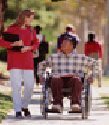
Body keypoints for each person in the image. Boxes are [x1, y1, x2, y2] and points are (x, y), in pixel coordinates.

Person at [39, 34, 97, 112]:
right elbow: (41, 65)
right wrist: (41, 76)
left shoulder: (80, 58)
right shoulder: (54, 57)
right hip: (58, 81)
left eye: (65, 43)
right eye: (62, 43)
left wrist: (92, 76)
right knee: (55, 79)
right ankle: (57, 104)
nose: (62, 45)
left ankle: (75, 104)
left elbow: (95, 64)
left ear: (72, 46)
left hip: (73, 81)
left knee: (76, 79)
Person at [0, 9, 39, 118]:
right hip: (15, 60)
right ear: (24, 17)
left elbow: (36, 42)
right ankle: (17, 110)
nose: (31, 20)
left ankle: (24, 106)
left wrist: (29, 47)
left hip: (27, 60)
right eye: (30, 18)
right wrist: (13, 44)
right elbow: (1, 41)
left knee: (30, 85)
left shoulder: (31, 30)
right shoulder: (11, 29)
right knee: (16, 86)